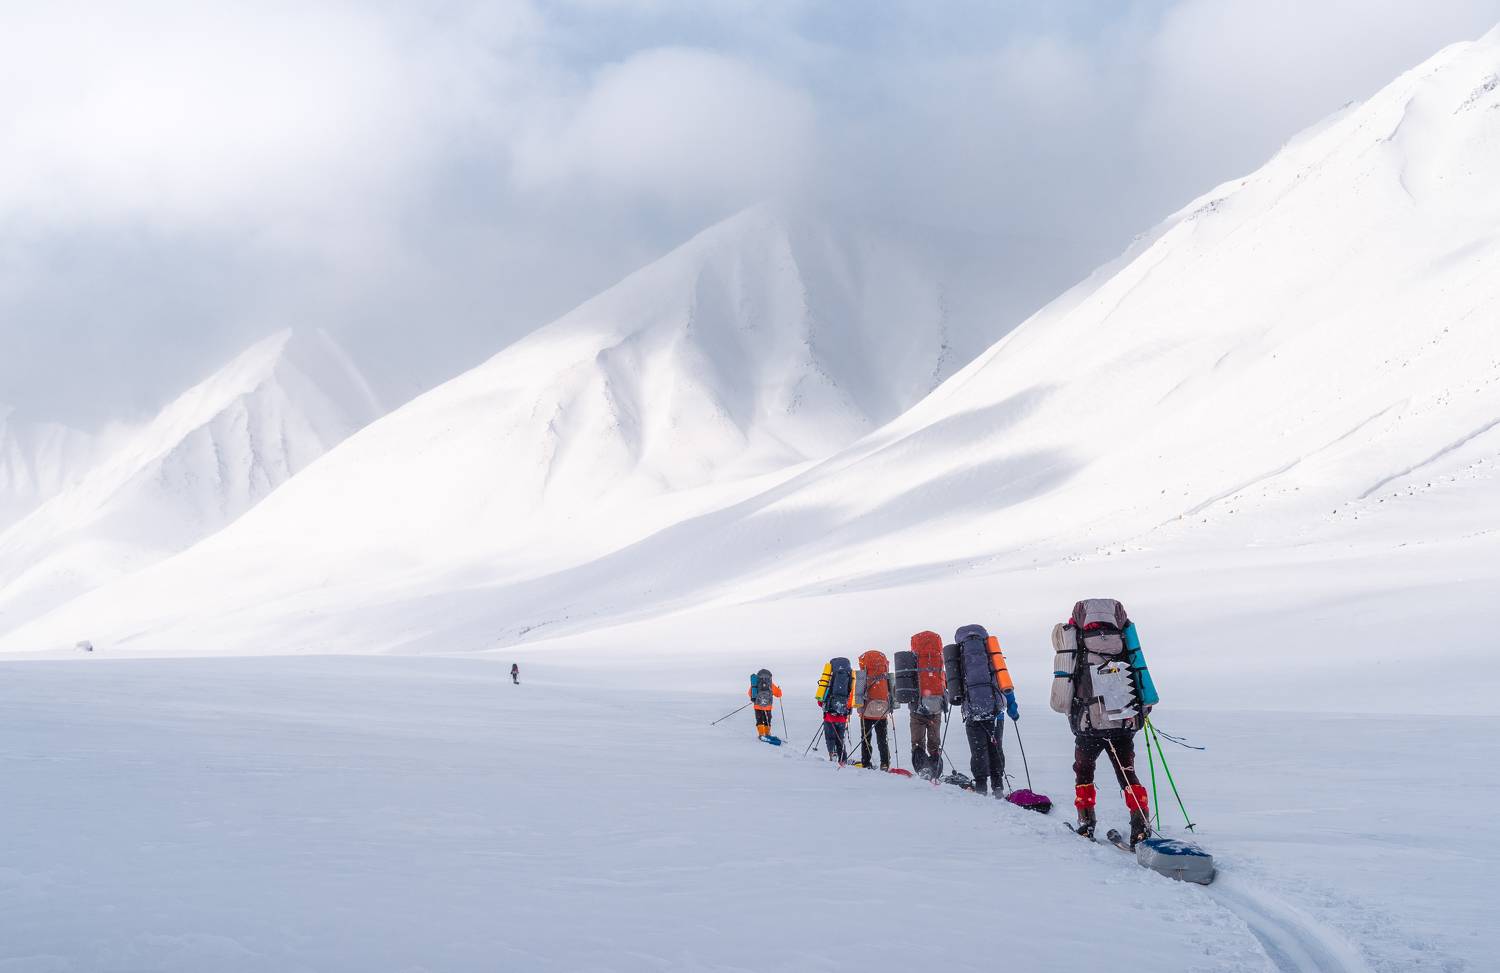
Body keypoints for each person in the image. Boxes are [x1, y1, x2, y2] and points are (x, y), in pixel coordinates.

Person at [1050, 598, 1159, 845]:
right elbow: (1138, 674)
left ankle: (1086, 823)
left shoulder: (1076, 640)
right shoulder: (1123, 641)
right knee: (1127, 774)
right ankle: (1140, 825)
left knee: (1084, 772)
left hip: (1088, 725)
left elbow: (1068, 683)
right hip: (1122, 723)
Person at [945, 624, 1018, 796]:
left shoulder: (959, 657)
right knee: (996, 748)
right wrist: (1012, 705)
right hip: (996, 712)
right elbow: (1003, 677)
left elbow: (953, 686)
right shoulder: (991, 652)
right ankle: (998, 787)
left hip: (973, 712)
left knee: (978, 751)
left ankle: (981, 787)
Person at [906, 631, 947, 779]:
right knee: (935, 745)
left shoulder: (912, 661)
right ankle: (935, 772)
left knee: (917, 743)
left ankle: (923, 771)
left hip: (917, 709)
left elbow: (904, 684)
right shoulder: (938, 660)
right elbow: (945, 682)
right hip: (936, 708)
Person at [855, 650, 893, 770]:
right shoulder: (885, 673)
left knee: (866, 738)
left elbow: (859, 692)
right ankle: (885, 763)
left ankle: (866, 762)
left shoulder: (863, 673)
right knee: (882, 738)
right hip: (882, 710)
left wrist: (859, 709)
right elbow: (891, 689)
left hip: (866, 710)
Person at [815, 657, 856, 764]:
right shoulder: (850, 678)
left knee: (830, 737)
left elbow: (820, 701)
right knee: (840, 739)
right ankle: (843, 760)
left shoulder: (829, 679)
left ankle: (832, 754)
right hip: (842, 716)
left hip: (829, 716)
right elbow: (852, 697)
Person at [748, 668, 783, 739]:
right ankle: (767, 733)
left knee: (759, 720)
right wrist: (779, 689)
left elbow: (749, 693)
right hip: (768, 706)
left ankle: (761, 734)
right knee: (768, 719)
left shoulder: (755, 683)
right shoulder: (770, 684)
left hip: (758, 705)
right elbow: (779, 694)